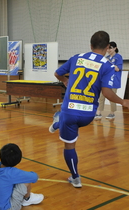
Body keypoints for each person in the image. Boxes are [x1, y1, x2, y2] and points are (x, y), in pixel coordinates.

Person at [49, 31, 129, 188]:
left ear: (90, 45)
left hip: (70, 111)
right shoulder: (108, 65)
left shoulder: (76, 58)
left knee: (69, 143)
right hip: (88, 115)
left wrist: (65, 80)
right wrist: (123, 102)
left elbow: (57, 73)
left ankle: (75, 178)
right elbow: (107, 92)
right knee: (71, 123)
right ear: (107, 47)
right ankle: (58, 123)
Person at [0, 143, 44, 210]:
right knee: (26, 181)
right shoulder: (12, 172)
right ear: (18, 160)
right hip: (7, 208)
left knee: (11, 181)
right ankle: (27, 199)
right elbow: (34, 177)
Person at [95, 41, 123, 119]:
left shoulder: (118, 57)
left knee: (112, 97)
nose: (108, 50)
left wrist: (109, 63)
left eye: (110, 48)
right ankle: (98, 112)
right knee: (101, 96)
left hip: (114, 81)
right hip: (105, 81)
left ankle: (112, 113)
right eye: (107, 48)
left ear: (115, 48)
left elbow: (117, 69)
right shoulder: (106, 58)